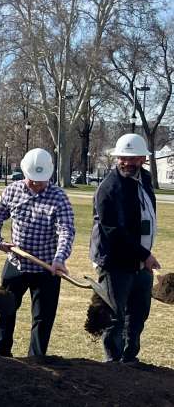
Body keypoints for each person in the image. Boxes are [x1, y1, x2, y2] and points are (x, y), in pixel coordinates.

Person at [0, 148, 74, 357]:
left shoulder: (59, 198)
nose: (36, 184)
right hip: (16, 264)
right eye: (32, 179)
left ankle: (36, 357)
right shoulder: (12, 191)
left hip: (46, 268)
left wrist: (59, 258)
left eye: (40, 181)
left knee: (43, 316)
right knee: (6, 308)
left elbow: (66, 231)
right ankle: (0, 350)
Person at [91, 134, 161, 364]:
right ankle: (113, 364)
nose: (127, 162)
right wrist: (145, 255)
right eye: (123, 158)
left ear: (143, 159)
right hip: (115, 262)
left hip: (140, 261)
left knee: (139, 313)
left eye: (132, 158)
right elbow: (113, 231)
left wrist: (144, 255)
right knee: (115, 316)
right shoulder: (109, 188)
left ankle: (129, 359)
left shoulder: (145, 179)